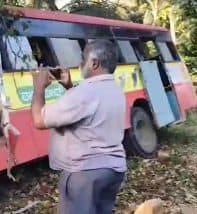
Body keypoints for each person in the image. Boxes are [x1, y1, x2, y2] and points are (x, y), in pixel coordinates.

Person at [31, 40, 127, 214]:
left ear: (94, 63)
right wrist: (69, 87)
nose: (79, 63)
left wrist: (38, 88)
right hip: (113, 170)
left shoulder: (84, 93)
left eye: (83, 59)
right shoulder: (114, 88)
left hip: (85, 174)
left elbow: (39, 120)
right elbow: (86, 112)